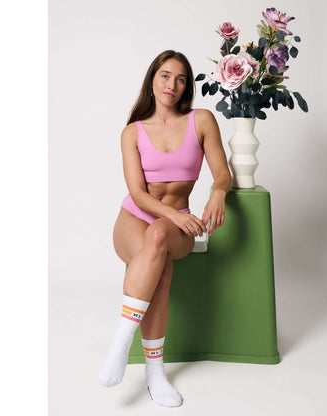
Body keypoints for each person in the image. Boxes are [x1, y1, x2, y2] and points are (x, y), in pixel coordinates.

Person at [98, 50, 232, 407]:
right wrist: (172, 216)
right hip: (135, 218)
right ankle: (153, 372)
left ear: (187, 86)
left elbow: (222, 174)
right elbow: (137, 194)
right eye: (165, 76)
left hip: (176, 224)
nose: (172, 84)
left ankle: (122, 341)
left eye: (181, 79)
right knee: (160, 268)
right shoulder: (132, 132)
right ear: (152, 80)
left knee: (159, 236)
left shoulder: (201, 120)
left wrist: (218, 192)